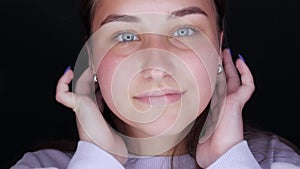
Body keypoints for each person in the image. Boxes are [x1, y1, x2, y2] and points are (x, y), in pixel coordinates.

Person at [10, 0, 300, 168]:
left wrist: (228, 160)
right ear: (92, 58)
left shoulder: (273, 162)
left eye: (185, 31)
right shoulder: (41, 166)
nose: (157, 67)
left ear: (218, 46)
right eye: (126, 36)